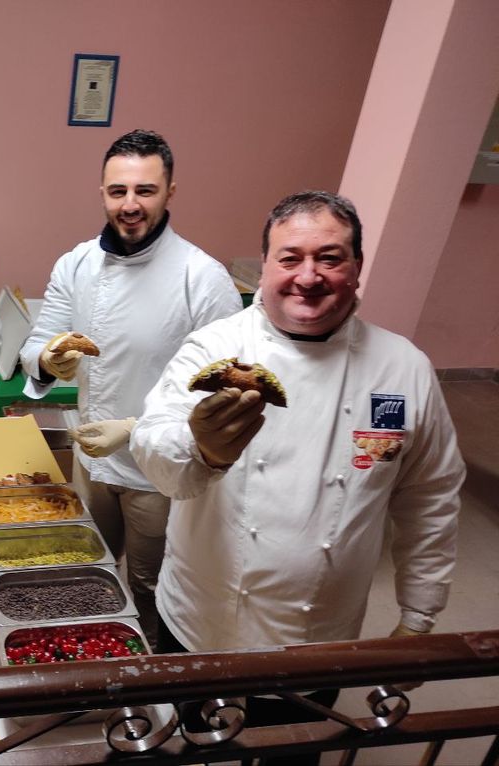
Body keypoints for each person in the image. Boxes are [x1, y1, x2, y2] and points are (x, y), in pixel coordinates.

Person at [130, 191, 465, 754]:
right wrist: (198, 446)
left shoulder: (403, 367)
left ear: (356, 266)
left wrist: (418, 617)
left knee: (293, 748)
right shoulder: (217, 346)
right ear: (264, 266)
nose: (308, 277)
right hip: (199, 619)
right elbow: (152, 449)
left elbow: (430, 499)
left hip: (320, 633)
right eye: (290, 258)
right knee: (192, 745)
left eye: (329, 257)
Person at [19, 129, 242, 649]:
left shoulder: (202, 278)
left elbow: (223, 397)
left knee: (151, 586)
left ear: (170, 192)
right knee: (85, 569)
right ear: (102, 192)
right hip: (91, 458)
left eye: (145, 190)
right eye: (118, 191)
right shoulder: (76, 264)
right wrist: (48, 359)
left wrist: (136, 430)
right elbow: (35, 343)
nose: (131, 204)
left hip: (161, 471)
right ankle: (89, 659)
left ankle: (151, 677)